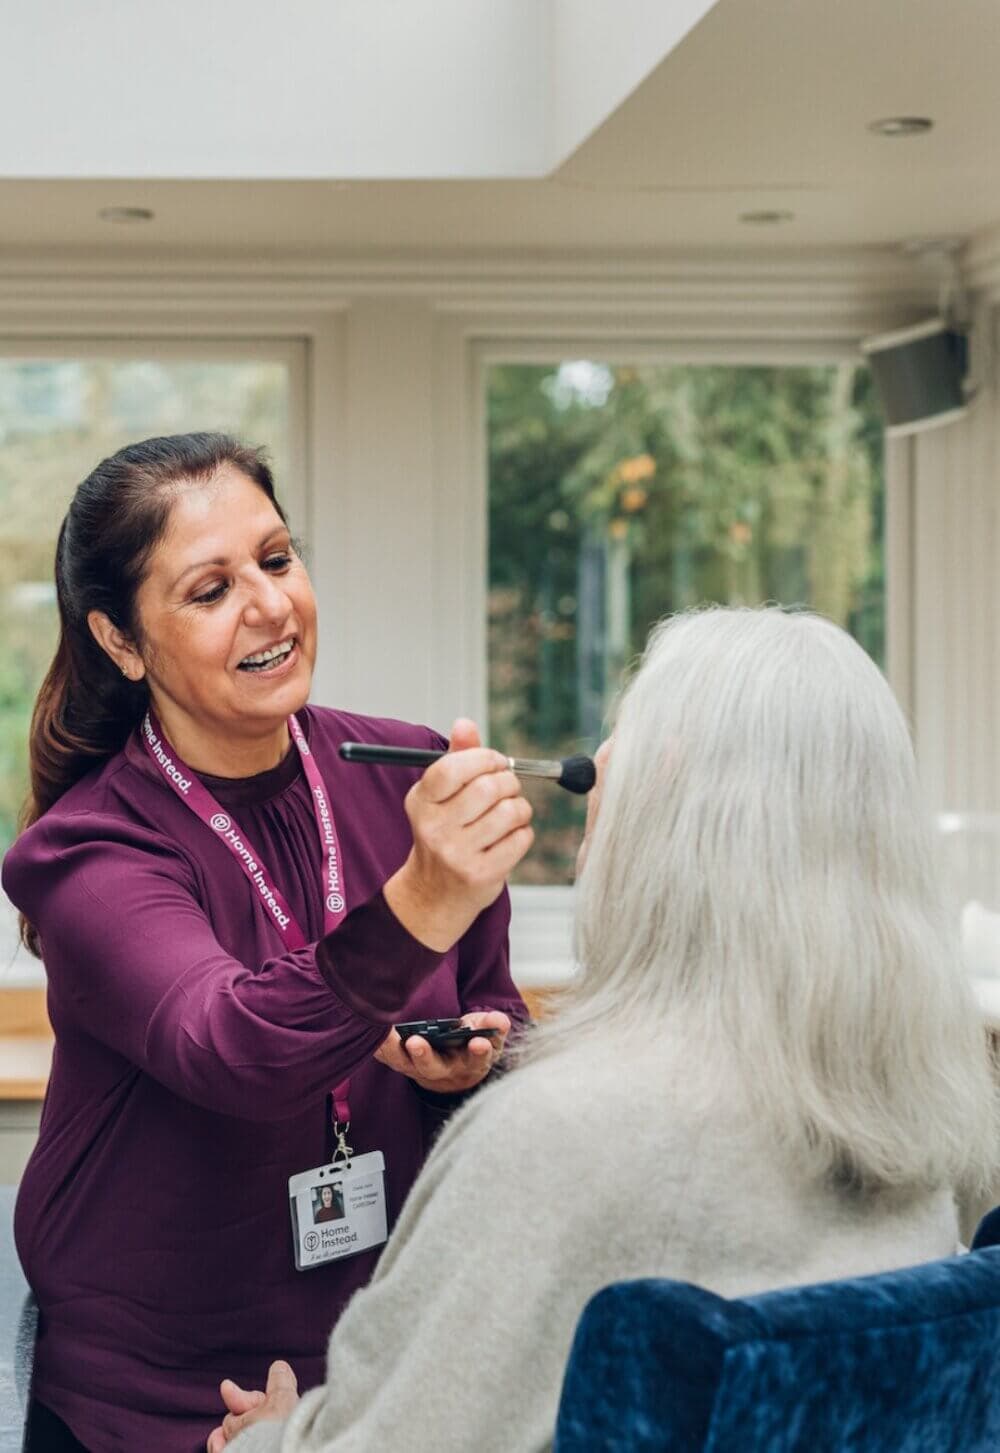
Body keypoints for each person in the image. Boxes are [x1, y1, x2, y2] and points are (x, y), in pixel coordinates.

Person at [208, 606, 999, 1453]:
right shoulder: (930, 1124)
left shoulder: (557, 1139)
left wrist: (271, 1437)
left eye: (623, 731)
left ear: (660, 791)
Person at [2, 433, 533, 1453]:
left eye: (277, 559)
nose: (269, 606)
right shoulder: (88, 849)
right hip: (156, 1405)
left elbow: (493, 1001)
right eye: (209, 589)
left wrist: (468, 1060)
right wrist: (424, 894)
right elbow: (230, 1047)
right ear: (120, 642)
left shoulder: (409, 769)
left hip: (374, 1381)